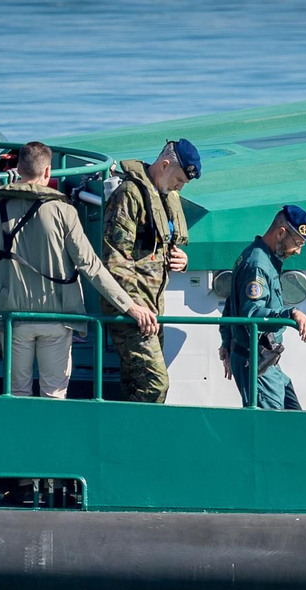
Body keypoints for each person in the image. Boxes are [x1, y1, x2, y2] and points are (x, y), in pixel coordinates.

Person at [0, 141, 155, 399]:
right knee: (54, 394)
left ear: (18, 168)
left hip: (11, 318)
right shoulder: (64, 211)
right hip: (56, 319)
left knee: (15, 394)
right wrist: (130, 306)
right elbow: (90, 266)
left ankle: (18, 439)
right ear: (48, 172)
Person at [101, 139, 199, 403]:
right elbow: (115, 257)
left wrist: (180, 259)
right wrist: (133, 306)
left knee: (136, 382)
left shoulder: (164, 196)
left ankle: (127, 439)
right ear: (164, 165)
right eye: (178, 179)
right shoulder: (130, 195)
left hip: (152, 309)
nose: (179, 186)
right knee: (155, 383)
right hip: (131, 309)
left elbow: (155, 248)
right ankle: (141, 438)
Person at [219, 205, 306, 410]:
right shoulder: (257, 265)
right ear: (281, 233)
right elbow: (252, 313)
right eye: (297, 243)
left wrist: (227, 342)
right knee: (270, 428)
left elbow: (231, 303)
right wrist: (292, 313)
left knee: (294, 418)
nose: (298, 251)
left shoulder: (263, 259)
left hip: (267, 361)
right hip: (256, 362)